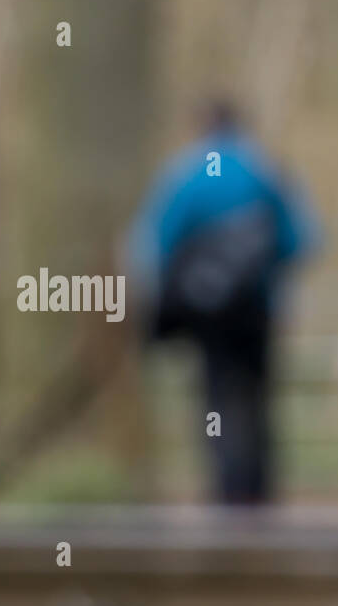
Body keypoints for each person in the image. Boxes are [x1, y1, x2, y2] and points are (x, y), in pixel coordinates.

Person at [127, 101, 319, 504]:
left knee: (216, 397)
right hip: (257, 309)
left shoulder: (185, 175)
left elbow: (153, 245)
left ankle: (227, 494)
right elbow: (300, 240)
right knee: (257, 397)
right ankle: (258, 494)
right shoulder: (264, 171)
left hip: (207, 314)